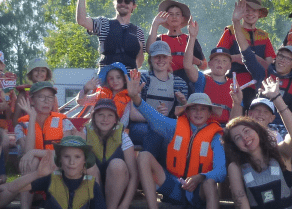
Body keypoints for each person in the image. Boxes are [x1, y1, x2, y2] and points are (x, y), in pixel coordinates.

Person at [131, 71, 225, 209]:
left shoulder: (215, 136)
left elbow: (221, 171)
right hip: (175, 185)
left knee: (209, 183)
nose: (198, 113)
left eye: (203, 109)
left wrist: (200, 176)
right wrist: (136, 98)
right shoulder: (175, 126)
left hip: (199, 191)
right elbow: (154, 118)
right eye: (194, 109)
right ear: (187, 111)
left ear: (209, 113)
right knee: (144, 156)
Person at [222, 78, 292, 209]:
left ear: (257, 131)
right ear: (235, 145)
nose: (245, 137)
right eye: (238, 138)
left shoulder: (280, 153)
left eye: (247, 131)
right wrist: (237, 104)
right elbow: (240, 199)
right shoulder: (236, 167)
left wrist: (277, 98)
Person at [236, 6, 292, 130]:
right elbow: (246, 51)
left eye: (288, 58)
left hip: (284, 127)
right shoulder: (262, 72)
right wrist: (236, 22)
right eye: (280, 56)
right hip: (258, 125)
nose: (282, 60)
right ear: (275, 57)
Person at [0, 136, 109, 209]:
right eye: (66, 156)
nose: (72, 162)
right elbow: (12, 188)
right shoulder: (50, 179)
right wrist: (36, 174)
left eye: (77, 157)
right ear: (60, 159)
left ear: (84, 160)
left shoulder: (92, 186)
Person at [14, 81, 78, 206]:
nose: (46, 101)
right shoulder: (21, 125)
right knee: (31, 161)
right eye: (41, 97)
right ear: (32, 100)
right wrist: (32, 118)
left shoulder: (63, 122)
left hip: (57, 167)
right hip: (34, 171)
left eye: (50, 97)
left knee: (53, 160)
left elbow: (64, 153)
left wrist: (34, 152)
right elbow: (27, 153)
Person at [74, 0, 145, 70]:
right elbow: (82, 21)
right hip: (106, 80)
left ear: (133, 6)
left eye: (127, 1)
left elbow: (140, 61)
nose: (123, 3)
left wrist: (128, 77)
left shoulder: (138, 31)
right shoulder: (103, 23)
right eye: (119, 0)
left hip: (128, 81)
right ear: (114, 3)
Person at [81, 99, 138, 209]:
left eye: (110, 115)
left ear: (115, 119)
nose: (105, 119)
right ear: (94, 117)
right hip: (92, 186)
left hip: (117, 187)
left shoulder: (123, 136)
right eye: (100, 115)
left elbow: (134, 175)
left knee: (118, 164)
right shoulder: (85, 133)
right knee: (88, 165)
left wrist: (125, 204)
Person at [220, 0, 276, 107]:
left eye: (254, 10)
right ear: (241, 13)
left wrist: (254, 59)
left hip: (259, 85)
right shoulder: (230, 32)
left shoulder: (264, 35)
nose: (250, 13)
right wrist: (236, 58)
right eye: (247, 10)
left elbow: (269, 61)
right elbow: (218, 58)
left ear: (259, 13)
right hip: (235, 83)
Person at [181, 20, 235, 124]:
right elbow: (187, 65)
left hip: (225, 129)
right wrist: (192, 37)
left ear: (229, 66)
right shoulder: (202, 79)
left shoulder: (234, 86)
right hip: (203, 126)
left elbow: (237, 114)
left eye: (224, 61)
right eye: (216, 60)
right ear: (210, 64)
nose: (220, 63)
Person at [147, 0, 207, 85]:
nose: (174, 17)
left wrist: (197, 61)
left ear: (183, 18)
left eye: (177, 14)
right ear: (165, 17)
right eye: (170, 14)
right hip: (163, 80)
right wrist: (155, 24)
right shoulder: (160, 38)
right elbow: (149, 50)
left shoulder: (189, 38)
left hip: (186, 81)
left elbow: (204, 66)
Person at [228, 77, 292, 144]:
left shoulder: (275, 136)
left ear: (272, 118)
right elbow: (232, 131)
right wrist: (237, 103)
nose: (260, 113)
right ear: (248, 113)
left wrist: (277, 98)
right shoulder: (242, 135)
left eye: (266, 111)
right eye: (257, 110)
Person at [140, 41, 190, 118]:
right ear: (150, 59)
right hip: (144, 122)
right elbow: (135, 108)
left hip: (169, 124)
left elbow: (183, 115)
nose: (161, 60)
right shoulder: (143, 79)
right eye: (157, 56)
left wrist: (183, 103)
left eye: (164, 56)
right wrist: (155, 115)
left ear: (170, 59)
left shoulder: (180, 83)